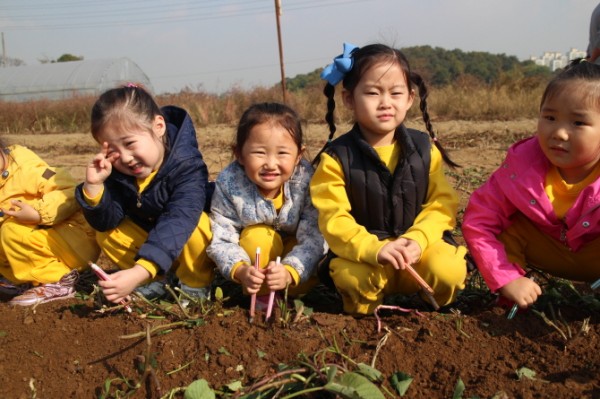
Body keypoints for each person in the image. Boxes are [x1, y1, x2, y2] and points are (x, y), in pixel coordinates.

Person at [309, 43, 468, 316]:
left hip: (418, 254)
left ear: (409, 98)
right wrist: (375, 249)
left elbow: (441, 204)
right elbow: (334, 219)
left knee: (449, 268)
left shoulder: (424, 149)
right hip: (367, 259)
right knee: (352, 278)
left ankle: (435, 312)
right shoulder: (336, 158)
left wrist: (418, 240)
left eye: (396, 93)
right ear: (348, 99)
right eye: (372, 93)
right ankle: (363, 317)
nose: (385, 102)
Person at [462, 59, 600, 310]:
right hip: (548, 250)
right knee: (505, 226)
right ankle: (510, 302)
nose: (558, 132)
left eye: (578, 122)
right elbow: (479, 221)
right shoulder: (521, 166)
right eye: (550, 117)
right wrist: (506, 278)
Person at [75, 84, 214, 305]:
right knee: (108, 234)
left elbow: (178, 221)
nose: (126, 158)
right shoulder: (119, 173)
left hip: (184, 241)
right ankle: (160, 281)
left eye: (130, 143)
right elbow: (106, 221)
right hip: (155, 249)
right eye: (113, 151)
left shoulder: (187, 167)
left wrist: (140, 270)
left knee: (198, 224)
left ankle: (194, 286)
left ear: (158, 126)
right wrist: (94, 187)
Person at [207, 102, 326, 308]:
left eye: (282, 153)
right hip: (254, 254)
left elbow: (314, 237)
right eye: (260, 153)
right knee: (258, 237)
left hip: (294, 251)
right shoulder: (229, 182)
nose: (270, 164)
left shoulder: (307, 180)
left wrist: (289, 272)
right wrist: (241, 269)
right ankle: (262, 299)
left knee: (300, 282)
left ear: (299, 155)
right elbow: (222, 236)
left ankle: (289, 293)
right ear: (239, 154)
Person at [0, 139, 99, 306]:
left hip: (76, 239)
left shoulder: (26, 169)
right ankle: (22, 279)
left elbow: (69, 191)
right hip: (47, 244)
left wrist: (38, 213)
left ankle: (58, 281)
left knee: (11, 230)